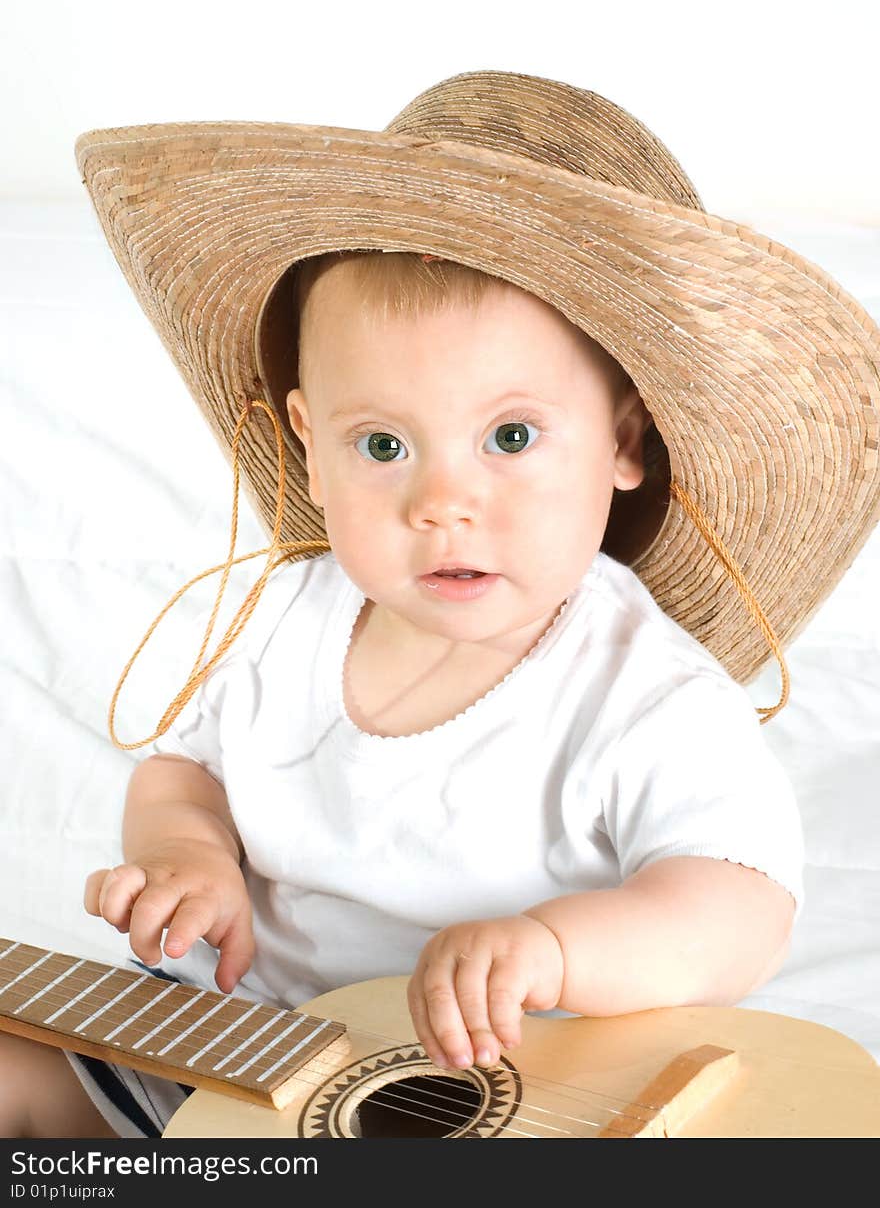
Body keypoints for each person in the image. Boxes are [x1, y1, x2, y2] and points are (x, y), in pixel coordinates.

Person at [4, 68, 878, 1138]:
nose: (442, 503)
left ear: (626, 443)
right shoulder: (284, 620)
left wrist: (556, 946)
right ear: (308, 449)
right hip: (255, 1056)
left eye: (509, 437)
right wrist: (192, 855)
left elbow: (739, 907)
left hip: (521, 1088)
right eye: (382, 444)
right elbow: (184, 767)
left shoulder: (643, 691)